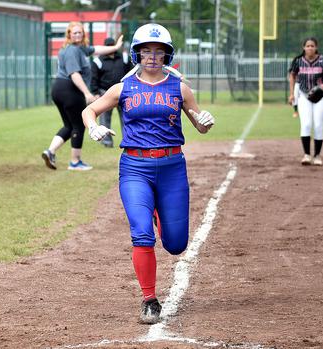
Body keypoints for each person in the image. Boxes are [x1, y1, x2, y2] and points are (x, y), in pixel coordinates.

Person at [82, 23, 215, 324]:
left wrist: (205, 121)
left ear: (167, 55)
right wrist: (94, 126)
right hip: (135, 167)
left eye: (158, 51)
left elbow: (199, 126)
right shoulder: (123, 88)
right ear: (137, 53)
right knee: (141, 235)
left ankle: (159, 216)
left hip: (171, 168)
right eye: (146, 50)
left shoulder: (179, 88)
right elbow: (89, 110)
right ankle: (149, 300)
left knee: (176, 244)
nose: (152, 56)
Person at [41, 22, 123, 171]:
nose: (77, 35)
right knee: (79, 125)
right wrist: (87, 93)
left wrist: (116, 47)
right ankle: (75, 162)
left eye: (80, 32)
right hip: (69, 89)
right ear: (69, 35)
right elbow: (74, 74)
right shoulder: (72, 50)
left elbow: (98, 49)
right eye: (74, 33)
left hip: (59, 89)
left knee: (69, 125)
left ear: (83, 35)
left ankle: (50, 151)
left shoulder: (80, 49)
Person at [288, 37, 323, 166]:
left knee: (318, 125)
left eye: (312, 46)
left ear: (316, 47)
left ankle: (317, 155)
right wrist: (292, 94)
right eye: (307, 46)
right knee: (306, 124)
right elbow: (292, 76)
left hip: (320, 96)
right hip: (304, 95)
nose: (310, 48)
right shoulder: (298, 61)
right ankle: (307, 155)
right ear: (303, 48)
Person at [91, 37, 134, 148]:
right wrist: (95, 92)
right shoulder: (98, 61)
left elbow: (131, 72)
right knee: (104, 119)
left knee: (126, 118)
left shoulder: (124, 58)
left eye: (112, 46)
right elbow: (94, 78)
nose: (111, 48)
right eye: (108, 46)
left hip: (123, 92)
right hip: (105, 92)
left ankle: (128, 141)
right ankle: (107, 142)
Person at [288, 53, 303, 118]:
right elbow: (291, 74)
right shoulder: (296, 64)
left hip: (307, 84)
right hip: (298, 83)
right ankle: (296, 111)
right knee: (295, 97)